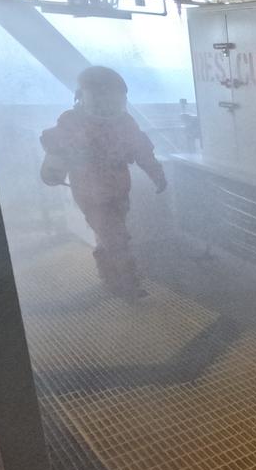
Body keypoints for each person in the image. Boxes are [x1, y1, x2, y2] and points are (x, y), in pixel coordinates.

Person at [40, 66, 166, 299]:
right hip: (89, 192)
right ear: (82, 97)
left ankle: (109, 276)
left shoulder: (125, 122)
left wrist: (157, 173)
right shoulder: (72, 122)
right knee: (116, 238)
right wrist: (52, 171)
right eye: (99, 99)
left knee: (110, 234)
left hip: (118, 190)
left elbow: (142, 150)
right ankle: (127, 284)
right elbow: (56, 151)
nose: (106, 107)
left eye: (112, 100)